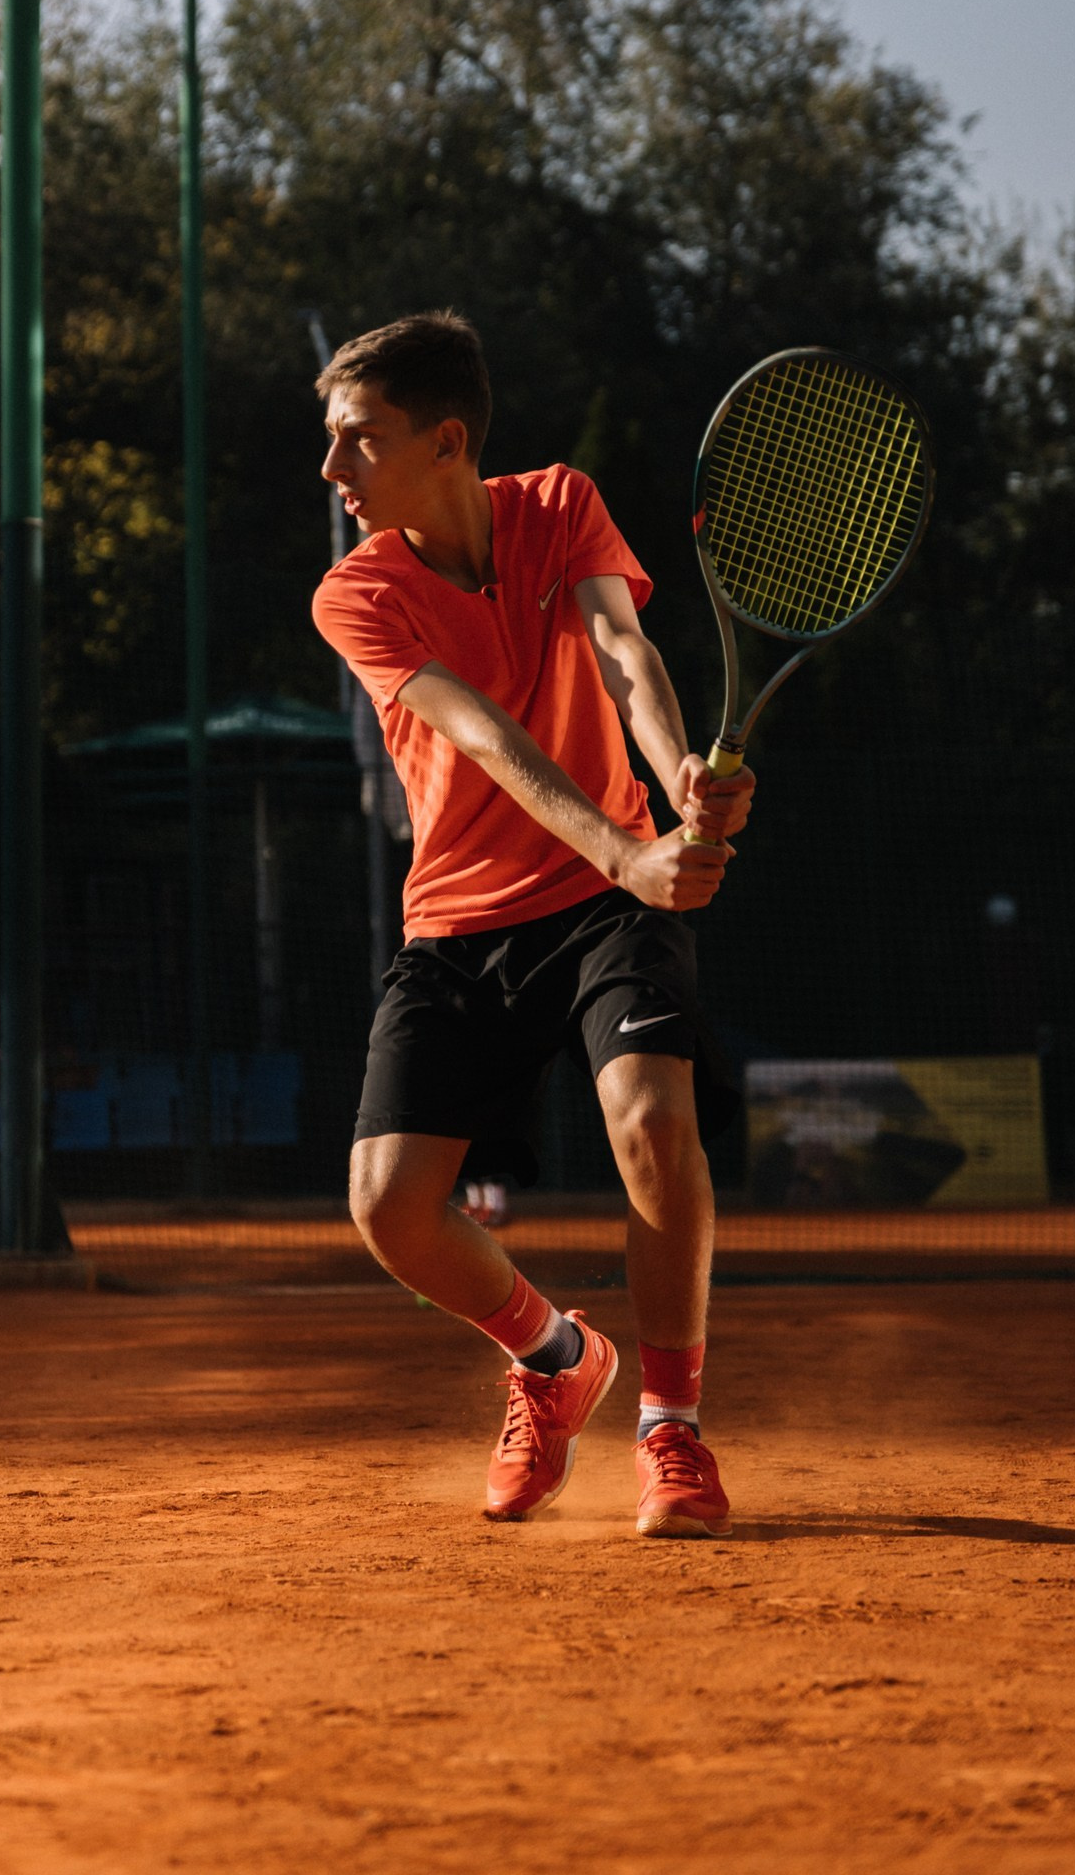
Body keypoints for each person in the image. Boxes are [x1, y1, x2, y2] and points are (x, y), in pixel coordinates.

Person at [311, 312, 755, 1538]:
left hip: (609, 909)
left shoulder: (560, 504)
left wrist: (675, 775)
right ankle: (557, 1359)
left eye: (359, 439)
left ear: (446, 442)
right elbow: (480, 733)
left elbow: (623, 646)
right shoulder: (356, 592)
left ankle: (671, 1429)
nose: (333, 467)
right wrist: (628, 845)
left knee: (653, 1122)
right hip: (462, 922)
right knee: (389, 1206)